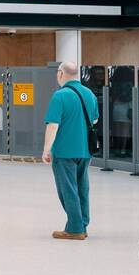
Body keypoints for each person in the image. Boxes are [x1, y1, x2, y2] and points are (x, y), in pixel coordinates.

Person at [42, 61, 99, 241]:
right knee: (82, 187)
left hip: (65, 151)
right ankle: (83, 224)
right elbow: (95, 120)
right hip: (85, 151)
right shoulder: (89, 94)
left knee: (67, 189)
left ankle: (75, 228)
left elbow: (53, 125)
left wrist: (46, 150)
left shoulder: (60, 96)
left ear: (60, 74)